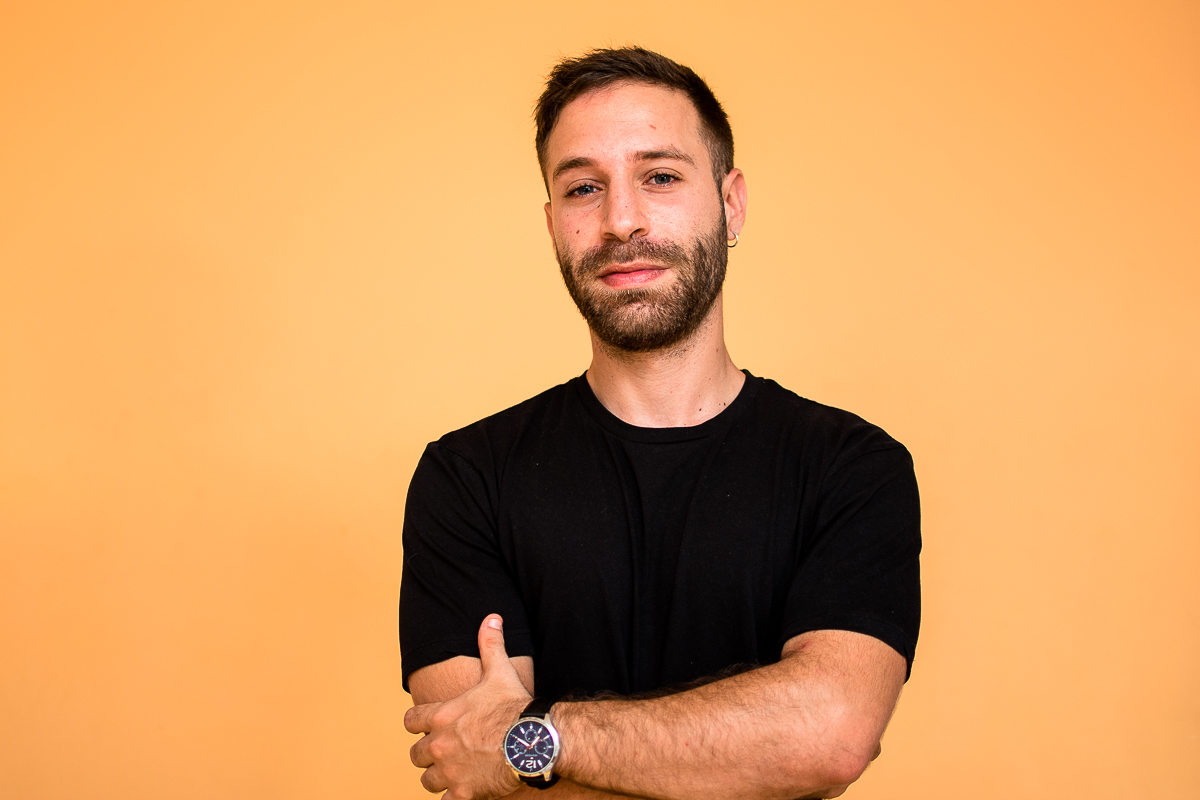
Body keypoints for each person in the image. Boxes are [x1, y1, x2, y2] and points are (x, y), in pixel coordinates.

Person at [400, 46, 921, 800]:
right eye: (583, 188)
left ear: (731, 203)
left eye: (661, 177)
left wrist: (539, 739)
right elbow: (474, 767)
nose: (621, 221)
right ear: (553, 224)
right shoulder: (466, 478)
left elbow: (832, 735)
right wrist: (746, 750)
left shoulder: (851, 467)